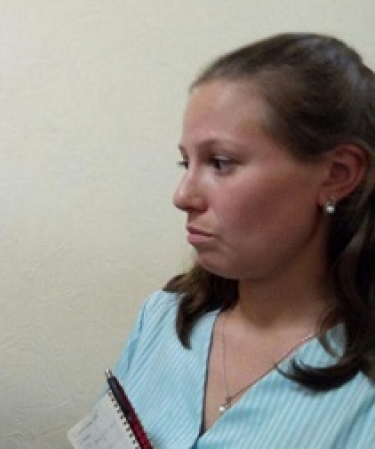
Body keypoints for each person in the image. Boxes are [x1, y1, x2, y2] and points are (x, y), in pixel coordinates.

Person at [110, 33, 375, 447]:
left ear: (338, 174)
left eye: (220, 162)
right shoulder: (162, 320)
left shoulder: (363, 388)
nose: (182, 196)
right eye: (185, 162)